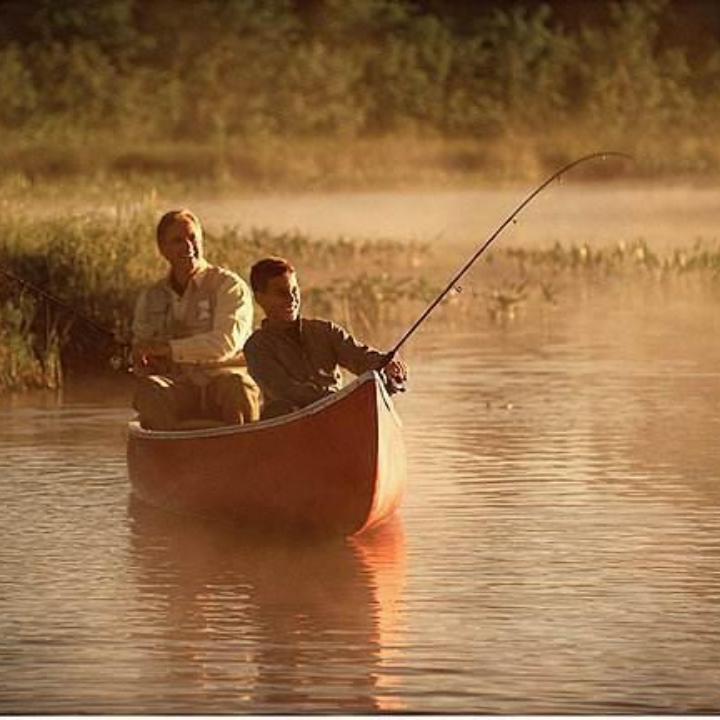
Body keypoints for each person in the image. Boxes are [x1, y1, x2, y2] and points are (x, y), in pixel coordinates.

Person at [131, 209, 260, 430]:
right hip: (178, 386)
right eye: (178, 241)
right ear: (163, 249)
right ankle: (173, 454)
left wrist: (166, 349)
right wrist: (142, 359)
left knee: (238, 386)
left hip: (224, 380)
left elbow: (225, 344)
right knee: (149, 389)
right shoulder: (151, 297)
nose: (188, 247)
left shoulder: (228, 286)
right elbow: (142, 347)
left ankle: (242, 452)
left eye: (193, 238)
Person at [243, 256, 407, 419]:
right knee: (284, 409)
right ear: (260, 298)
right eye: (281, 293)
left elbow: (360, 357)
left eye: (294, 290)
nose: (292, 299)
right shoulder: (256, 347)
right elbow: (285, 390)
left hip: (339, 414)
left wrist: (387, 365)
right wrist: (340, 399)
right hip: (290, 421)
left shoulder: (325, 330)